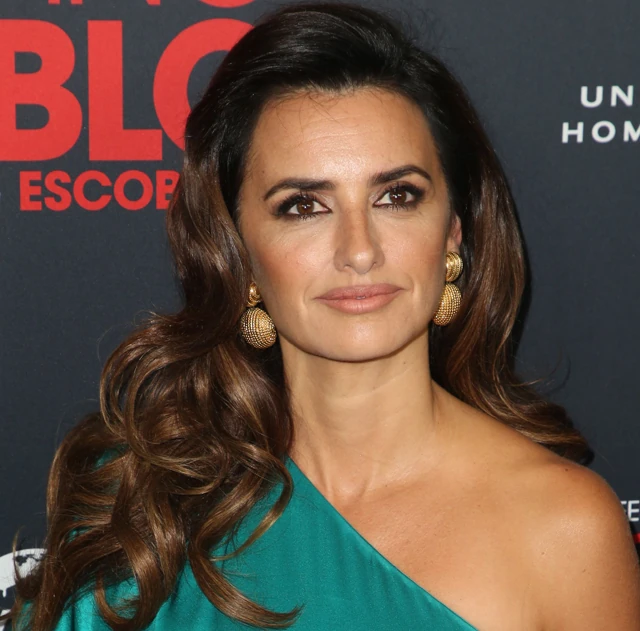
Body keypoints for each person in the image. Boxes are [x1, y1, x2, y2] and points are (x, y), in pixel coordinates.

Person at [5, 2, 640, 630]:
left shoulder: (564, 529)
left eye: (397, 196)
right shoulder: (144, 503)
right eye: (303, 206)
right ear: (237, 248)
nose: (359, 251)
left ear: (453, 230)